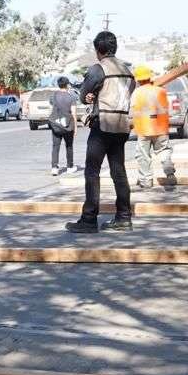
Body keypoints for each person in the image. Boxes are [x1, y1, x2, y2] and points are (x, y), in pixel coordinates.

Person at [66, 31, 137, 233]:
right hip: (122, 124)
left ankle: (89, 220)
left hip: (103, 124)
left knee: (92, 172)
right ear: (114, 48)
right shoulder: (127, 70)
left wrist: (90, 95)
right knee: (119, 172)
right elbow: (126, 91)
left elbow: (83, 94)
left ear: (99, 50)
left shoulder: (99, 68)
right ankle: (124, 217)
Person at [129, 65, 175, 188]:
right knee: (164, 151)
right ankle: (170, 173)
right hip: (160, 128)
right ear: (150, 78)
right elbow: (166, 109)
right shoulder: (161, 91)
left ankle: (146, 180)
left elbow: (132, 111)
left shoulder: (137, 93)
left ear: (138, 80)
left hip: (144, 129)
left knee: (143, 155)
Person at [48, 76, 79, 175]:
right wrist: (76, 127)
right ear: (67, 84)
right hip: (68, 125)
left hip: (56, 125)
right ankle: (70, 166)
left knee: (55, 146)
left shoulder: (54, 95)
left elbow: (52, 107)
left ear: (58, 84)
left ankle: (54, 167)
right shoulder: (72, 97)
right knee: (69, 146)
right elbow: (73, 113)